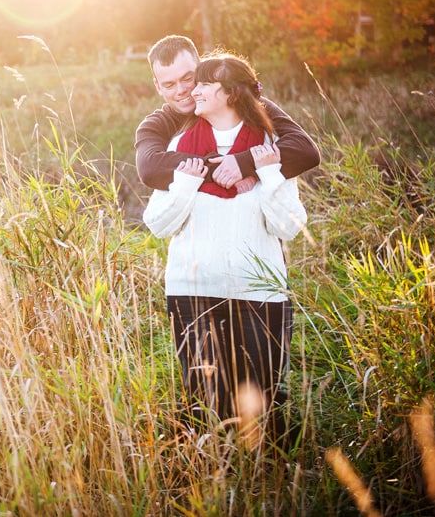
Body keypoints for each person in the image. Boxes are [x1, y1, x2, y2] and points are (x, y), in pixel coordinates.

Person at [142, 54, 308, 447]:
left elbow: (288, 226)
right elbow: (158, 223)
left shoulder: (270, 147)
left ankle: (269, 487)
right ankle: (207, 485)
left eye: (200, 81)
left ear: (231, 92)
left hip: (259, 295)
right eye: (175, 84)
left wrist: (263, 171)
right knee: (204, 403)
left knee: (264, 401)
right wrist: (189, 180)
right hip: (193, 291)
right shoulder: (178, 144)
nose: (190, 91)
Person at [135, 35, 319, 193]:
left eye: (187, 78)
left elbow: (305, 150)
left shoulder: (246, 104)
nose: (181, 90)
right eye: (169, 84)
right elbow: (149, 168)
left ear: (200, 69)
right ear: (158, 86)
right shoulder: (156, 125)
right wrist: (222, 169)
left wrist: (243, 163)